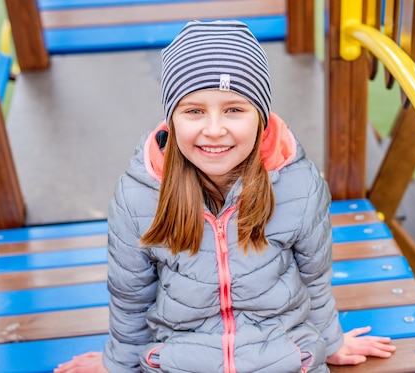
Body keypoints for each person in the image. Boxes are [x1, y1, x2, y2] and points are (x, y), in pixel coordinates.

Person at [54, 20, 395, 373]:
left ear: (261, 117)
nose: (214, 130)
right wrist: (119, 362)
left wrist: (331, 341)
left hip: (283, 358)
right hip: (182, 360)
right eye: (194, 111)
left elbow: (315, 278)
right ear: (171, 119)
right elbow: (130, 296)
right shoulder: (139, 196)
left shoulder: (297, 183)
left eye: (234, 109)